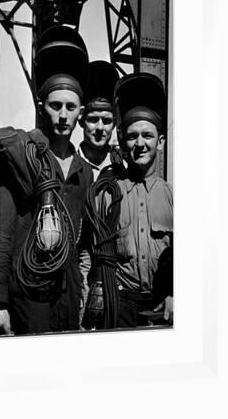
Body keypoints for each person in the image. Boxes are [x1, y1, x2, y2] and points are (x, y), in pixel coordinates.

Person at [0, 25, 93, 336]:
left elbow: (81, 242)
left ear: (81, 111)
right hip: (28, 299)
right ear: (42, 108)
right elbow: (0, 234)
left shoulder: (84, 172)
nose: (63, 116)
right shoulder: (21, 157)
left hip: (66, 297)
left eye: (70, 107)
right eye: (55, 106)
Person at [84, 73, 173, 329]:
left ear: (161, 141)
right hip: (119, 307)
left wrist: (177, 294)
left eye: (148, 135)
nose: (140, 144)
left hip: (162, 308)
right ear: (123, 141)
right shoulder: (107, 194)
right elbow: (89, 255)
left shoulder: (173, 197)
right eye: (133, 136)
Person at [78, 61, 121, 181]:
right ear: (81, 120)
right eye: (93, 119)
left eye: (107, 121)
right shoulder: (67, 165)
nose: (100, 128)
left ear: (114, 124)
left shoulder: (124, 168)